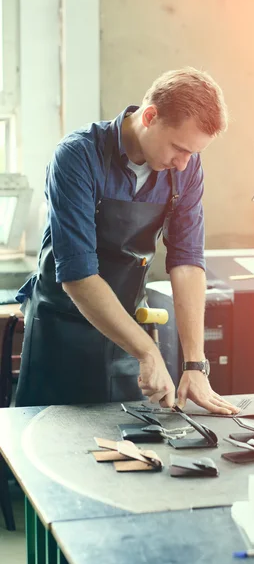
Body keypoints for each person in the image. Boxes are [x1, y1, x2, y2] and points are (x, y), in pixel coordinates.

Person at [15, 67, 239, 415]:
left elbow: (187, 261)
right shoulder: (77, 157)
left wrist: (195, 365)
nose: (183, 165)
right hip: (61, 331)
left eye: (192, 154)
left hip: (126, 333)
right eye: (179, 148)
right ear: (150, 116)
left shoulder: (186, 169)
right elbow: (78, 274)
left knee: (124, 448)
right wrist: (148, 351)